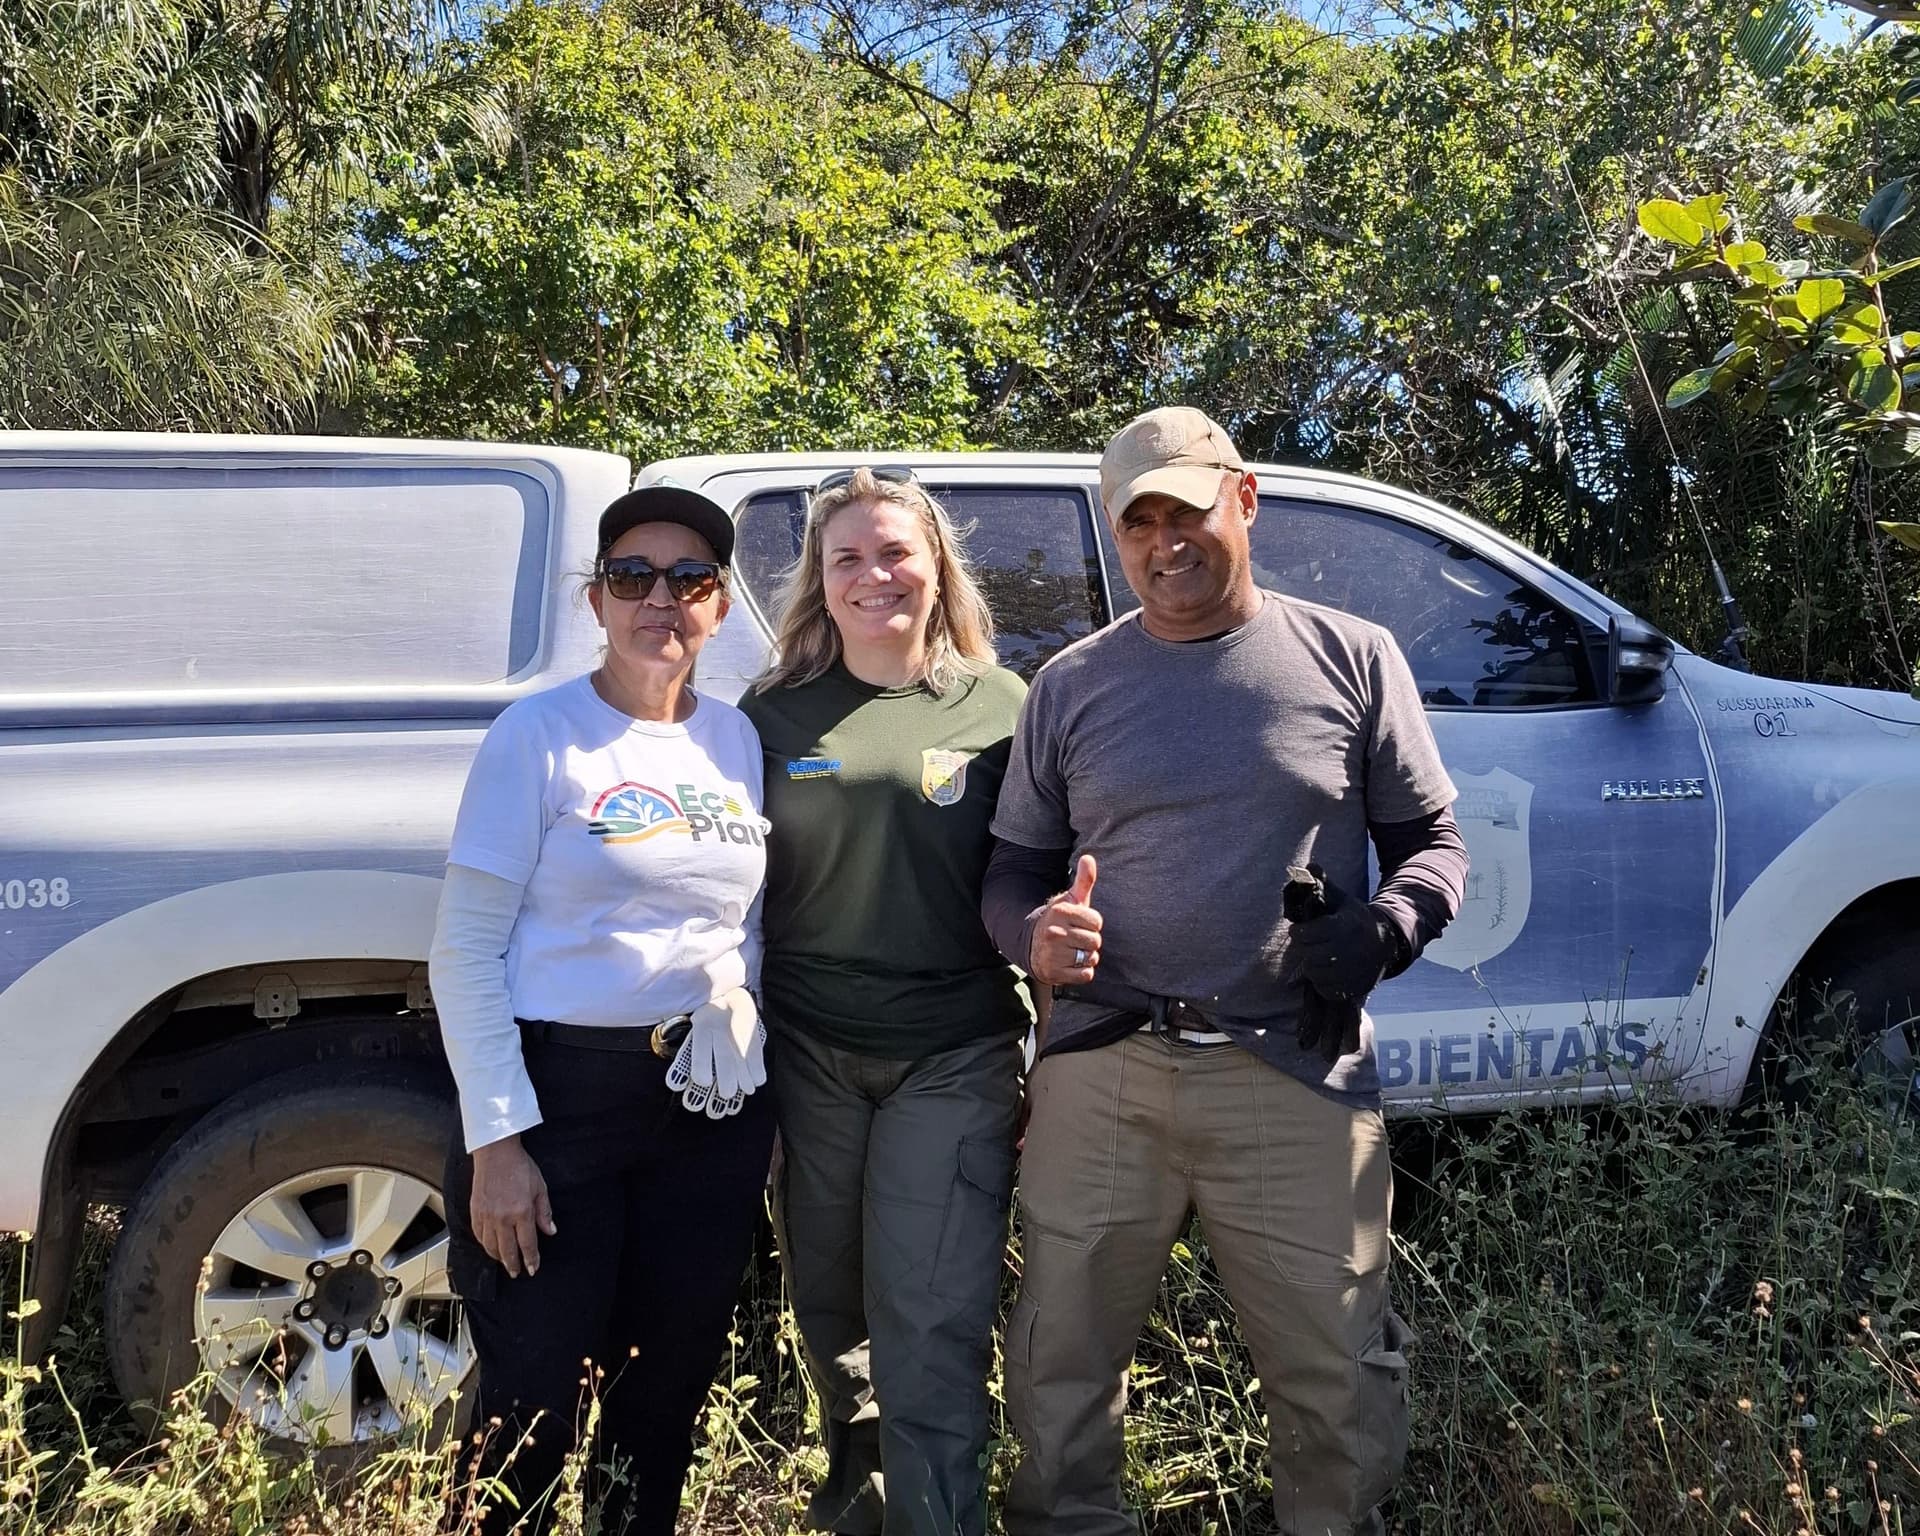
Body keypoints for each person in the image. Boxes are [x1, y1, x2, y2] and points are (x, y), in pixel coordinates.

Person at [981, 407, 1471, 1536]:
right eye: (1139, 522)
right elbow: (1012, 871)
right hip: (1103, 1067)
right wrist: (1033, 938)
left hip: (1293, 1069)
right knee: (1060, 1363)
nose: (1165, 544)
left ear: (1243, 502)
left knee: (1336, 1371)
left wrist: (1386, 929)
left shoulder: (1350, 658)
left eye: (1187, 514)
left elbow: (1434, 846)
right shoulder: (1069, 684)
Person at [429, 483, 774, 1536]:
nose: (659, 599)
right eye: (634, 577)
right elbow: (465, 950)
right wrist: (497, 1139)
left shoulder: (736, 742)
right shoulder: (537, 737)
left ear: (719, 606)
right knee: (530, 1404)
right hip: (558, 1103)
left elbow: (739, 918)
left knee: (661, 1395)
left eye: (690, 580)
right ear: (597, 600)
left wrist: (742, 1001)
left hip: (705, 1113)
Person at [740, 466, 1030, 1536]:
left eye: (896, 552)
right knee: (831, 1309)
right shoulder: (769, 715)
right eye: (847, 556)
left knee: (931, 1317)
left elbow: (1036, 878)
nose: (875, 575)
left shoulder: (999, 705)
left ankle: (938, 1517)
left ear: (937, 564)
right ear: (820, 579)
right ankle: (857, 1506)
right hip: (808, 1057)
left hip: (951, 1054)